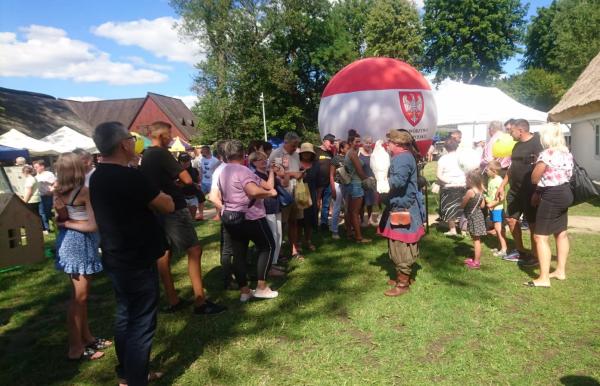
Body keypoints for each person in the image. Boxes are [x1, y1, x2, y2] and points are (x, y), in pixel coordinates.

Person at [90, 121, 174, 385]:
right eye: (131, 139)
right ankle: (136, 379)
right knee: (141, 323)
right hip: (136, 258)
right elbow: (167, 205)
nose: (134, 143)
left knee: (126, 315)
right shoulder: (128, 176)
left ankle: (128, 374)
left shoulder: (98, 175)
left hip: (116, 255)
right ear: (123, 144)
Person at [141, 121, 225, 315]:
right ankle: (200, 301)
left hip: (157, 209)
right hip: (174, 209)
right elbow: (187, 179)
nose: (171, 138)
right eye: (169, 135)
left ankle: (173, 299)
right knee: (194, 250)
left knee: (164, 254)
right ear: (161, 136)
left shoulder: (146, 156)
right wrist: (177, 184)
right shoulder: (162, 153)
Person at [53, 153, 107, 361]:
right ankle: (75, 347)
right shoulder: (84, 192)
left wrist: (64, 221)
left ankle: (87, 338)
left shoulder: (59, 191)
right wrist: (66, 223)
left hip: (71, 242)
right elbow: (92, 225)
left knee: (80, 298)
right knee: (79, 298)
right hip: (79, 244)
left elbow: (61, 218)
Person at [217, 140, 279, 301]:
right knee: (268, 246)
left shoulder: (223, 171)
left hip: (231, 217)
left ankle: (244, 291)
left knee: (239, 254)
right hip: (251, 216)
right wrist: (270, 193)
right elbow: (253, 191)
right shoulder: (242, 170)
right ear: (243, 153)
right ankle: (261, 287)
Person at [378, 130, 425, 296]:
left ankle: (403, 284)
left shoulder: (402, 158)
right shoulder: (403, 157)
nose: (387, 145)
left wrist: (378, 182)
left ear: (398, 144)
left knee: (401, 247)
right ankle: (403, 277)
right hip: (401, 207)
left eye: (389, 142)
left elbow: (398, 181)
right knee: (400, 246)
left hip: (403, 209)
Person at [526, 123, 574, 287]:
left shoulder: (546, 154)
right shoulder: (567, 153)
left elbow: (534, 178)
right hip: (566, 192)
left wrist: (535, 166)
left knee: (540, 236)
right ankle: (560, 271)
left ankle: (544, 278)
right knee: (561, 233)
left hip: (552, 195)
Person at [496, 119, 543, 266]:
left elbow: (543, 168)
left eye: (512, 131)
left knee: (532, 224)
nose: (510, 134)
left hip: (530, 192)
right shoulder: (516, 146)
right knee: (511, 220)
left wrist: (538, 191)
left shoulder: (537, 143)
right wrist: (502, 185)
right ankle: (521, 251)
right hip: (515, 191)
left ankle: (535, 256)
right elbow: (512, 168)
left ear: (520, 130)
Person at [249, 150, 286, 277]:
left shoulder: (267, 172)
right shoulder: (255, 175)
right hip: (266, 208)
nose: (264, 161)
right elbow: (269, 187)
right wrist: (271, 172)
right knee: (273, 236)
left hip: (275, 206)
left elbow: (283, 182)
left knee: (279, 236)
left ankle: (274, 262)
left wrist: (279, 170)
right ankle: (270, 266)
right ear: (254, 162)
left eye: (265, 159)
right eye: (260, 159)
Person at [268, 132, 304, 259]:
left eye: (296, 145)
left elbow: (296, 169)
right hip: (284, 194)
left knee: (294, 221)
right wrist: (295, 174)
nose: (295, 147)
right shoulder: (277, 153)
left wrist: (301, 172)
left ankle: (294, 250)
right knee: (282, 224)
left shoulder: (296, 154)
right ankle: (280, 251)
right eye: (293, 145)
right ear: (286, 142)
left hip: (296, 191)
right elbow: (277, 172)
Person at [345, 131, 371, 243]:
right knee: (355, 212)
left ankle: (349, 233)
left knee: (350, 211)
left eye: (359, 142)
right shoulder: (353, 154)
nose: (358, 144)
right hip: (356, 185)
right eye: (356, 142)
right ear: (350, 142)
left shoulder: (349, 152)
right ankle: (359, 237)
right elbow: (360, 172)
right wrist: (369, 180)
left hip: (352, 184)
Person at [436, 140, 466, 236]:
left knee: (450, 207)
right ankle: (464, 229)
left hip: (449, 186)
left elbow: (438, 175)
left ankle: (452, 229)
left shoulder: (443, 159)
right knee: (463, 207)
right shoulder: (462, 157)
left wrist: (448, 181)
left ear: (445, 148)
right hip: (462, 184)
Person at [461, 170, 487, 269]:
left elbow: (462, 205)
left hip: (472, 217)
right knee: (475, 238)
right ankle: (475, 259)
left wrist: (463, 201)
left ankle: (476, 262)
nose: (466, 182)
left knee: (476, 240)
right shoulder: (480, 192)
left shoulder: (470, 192)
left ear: (471, 180)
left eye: (466, 180)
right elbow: (483, 205)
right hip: (478, 215)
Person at [298, 142, 320, 252]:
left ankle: (308, 240)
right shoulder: (296, 163)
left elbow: (319, 184)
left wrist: (318, 198)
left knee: (309, 220)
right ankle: (298, 243)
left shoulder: (316, 165)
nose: (306, 154)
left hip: (311, 194)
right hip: (298, 194)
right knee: (299, 220)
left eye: (308, 152)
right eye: (304, 152)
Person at [484, 160, 508, 258]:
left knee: (498, 229)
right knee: (496, 228)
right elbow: (490, 192)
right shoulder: (490, 179)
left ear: (494, 171)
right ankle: (499, 246)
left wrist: (492, 204)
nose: (486, 171)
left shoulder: (499, 181)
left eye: (488, 169)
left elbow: (502, 197)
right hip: (493, 208)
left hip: (498, 208)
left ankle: (504, 249)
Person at [315, 134, 335, 232]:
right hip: (317, 183)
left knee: (326, 204)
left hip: (328, 183)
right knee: (316, 204)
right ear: (324, 141)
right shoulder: (315, 151)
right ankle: (314, 223)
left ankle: (324, 223)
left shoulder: (331, 153)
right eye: (330, 142)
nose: (332, 144)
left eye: (333, 142)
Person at [330, 141, 350, 239]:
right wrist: (333, 187)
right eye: (346, 148)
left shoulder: (349, 157)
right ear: (341, 149)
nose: (348, 149)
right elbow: (331, 174)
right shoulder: (336, 159)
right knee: (337, 208)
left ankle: (348, 228)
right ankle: (334, 230)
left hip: (348, 184)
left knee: (348, 208)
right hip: (338, 184)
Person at [33, 160, 56, 232]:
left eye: (36, 167)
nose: (35, 168)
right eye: (34, 167)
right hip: (40, 196)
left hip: (48, 196)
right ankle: (46, 228)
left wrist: (51, 191)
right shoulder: (36, 176)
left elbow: (55, 184)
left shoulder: (49, 174)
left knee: (47, 212)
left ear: (42, 167)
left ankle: (55, 223)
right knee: (42, 213)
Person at [358, 136, 377, 227]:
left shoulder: (373, 152)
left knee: (370, 202)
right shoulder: (358, 152)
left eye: (370, 143)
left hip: (372, 181)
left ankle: (369, 219)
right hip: (361, 181)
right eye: (367, 143)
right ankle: (361, 220)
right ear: (363, 143)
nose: (369, 145)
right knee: (361, 202)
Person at [178, 153, 202, 219]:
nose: (186, 162)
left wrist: (199, 185)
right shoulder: (176, 171)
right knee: (184, 219)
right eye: (183, 161)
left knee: (192, 219)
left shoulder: (194, 170)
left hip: (193, 197)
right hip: (182, 198)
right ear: (179, 161)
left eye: (187, 160)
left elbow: (199, 180)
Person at [198, 145, 219, 220]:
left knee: (215, 198)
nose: (201, 152)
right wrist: (199, 181)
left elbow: (217, 171)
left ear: (207, 151)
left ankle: (218, 215)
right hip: (203, 182)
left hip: (212, 182)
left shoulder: (215, 160)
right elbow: (200, 170)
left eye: (202, 151)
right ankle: (200, 215)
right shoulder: (201, 160)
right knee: (200, 198)